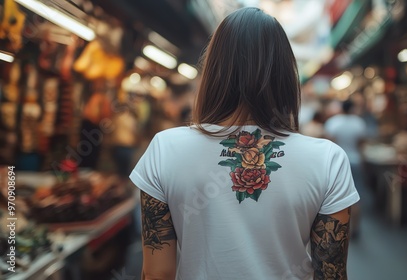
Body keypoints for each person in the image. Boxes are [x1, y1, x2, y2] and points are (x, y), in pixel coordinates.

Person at [130, 7, 359, 280]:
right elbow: (331, 274)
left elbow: (157, 275)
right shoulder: (327, 159)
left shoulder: (164, 149)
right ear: (286, 74)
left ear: (213, 72)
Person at [324, 99, 367, 237]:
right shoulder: (359, 122)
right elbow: (361, 143)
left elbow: (330, 142)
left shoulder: (333, 122)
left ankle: (341, 230)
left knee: (337, 197)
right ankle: (356, 228)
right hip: (355, 160)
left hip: (338, 163)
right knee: (356, 195)